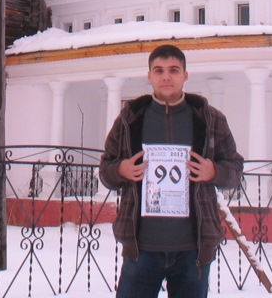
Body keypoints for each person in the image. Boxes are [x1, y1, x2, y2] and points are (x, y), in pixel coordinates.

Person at [99, 44, 243, 298]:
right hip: (141, 249)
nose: (166, 76)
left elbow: (235, 169)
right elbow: (105, 171)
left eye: (174, 70)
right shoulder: (129, 120)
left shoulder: (210, 119)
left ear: (185, 75)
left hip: (193, 250)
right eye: (159, 70)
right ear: (149, 75)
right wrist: (120, 170)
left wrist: (214, 172)